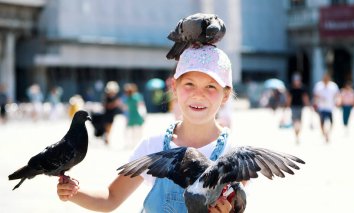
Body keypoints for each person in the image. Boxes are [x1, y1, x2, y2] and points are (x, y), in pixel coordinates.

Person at [57, 45, 236, 212]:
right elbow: (111, 198)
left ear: (226, 94)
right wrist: (74, 192)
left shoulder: (234, 154)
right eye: (189, 84)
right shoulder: (153, 146)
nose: (199, 94)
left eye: (211, 86)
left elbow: (237, 204)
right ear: (174, 87)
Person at [313, 72, 339, 143]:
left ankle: (328, 133)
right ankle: (324, 133)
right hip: (321, 107)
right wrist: (315, 104)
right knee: (322, 122)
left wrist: (338, 102)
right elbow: (315, 95)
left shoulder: (333, 86)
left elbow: (337, 95)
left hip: (330, 107)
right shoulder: (318, 85)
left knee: (331, 122)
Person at [286, 73, 310, 144]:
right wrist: (287, 106)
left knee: (299, 121)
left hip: (300, 106)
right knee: (294, 120)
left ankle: (298, 134)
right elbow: (289, 98)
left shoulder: (302, 88)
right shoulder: (291, 88)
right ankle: (296, 134)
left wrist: (308, 105)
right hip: (293, 106)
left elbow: (305, 97)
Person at [122, 83, 146, 148]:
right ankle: (137, 143)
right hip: (136, 114)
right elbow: (141, 105)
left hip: (132, 114)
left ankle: (133, 143)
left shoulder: (128, 98)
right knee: (137, 130)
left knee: (132, 130)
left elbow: (125, 108)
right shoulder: (136, 96)